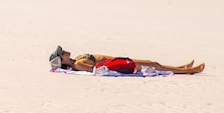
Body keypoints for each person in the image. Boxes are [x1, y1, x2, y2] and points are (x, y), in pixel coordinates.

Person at [48, 45, 204, 75]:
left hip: (117, 60)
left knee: (154, 63)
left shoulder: (77, 60)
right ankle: (189, 70)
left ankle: (182, 67)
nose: (65, 51)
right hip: (118, 64)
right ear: (62, 59)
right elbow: (98, 70)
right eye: (63, 53)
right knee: (154, 64)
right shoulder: (79, 64)